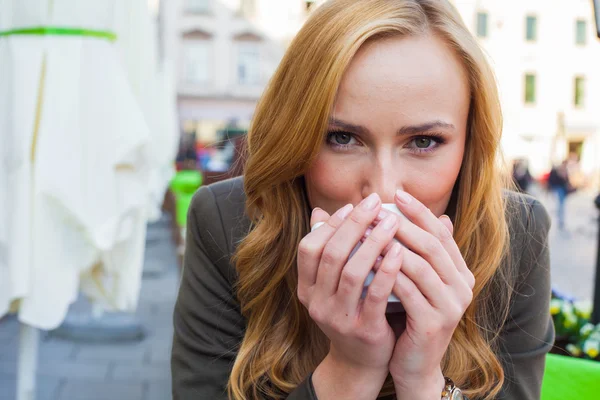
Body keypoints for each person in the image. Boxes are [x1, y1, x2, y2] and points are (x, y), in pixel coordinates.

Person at [171, 1, 553, 399]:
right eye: (342, 138)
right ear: (296, 140)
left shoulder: (516, 235)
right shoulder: (226, 222)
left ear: (470, 146)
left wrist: (424, 380)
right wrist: (349, 371)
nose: (385, 190)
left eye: (423, 142)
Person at [548, 160, 572, 230]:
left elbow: (566, 180)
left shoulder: (564, 170)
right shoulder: (560, 170)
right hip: (559, 189)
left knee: (561, 205)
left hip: (562, 190)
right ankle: (560, 220)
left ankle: (560, 220)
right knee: (560, 206)